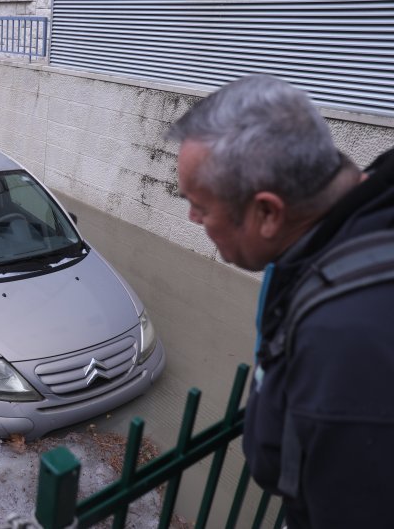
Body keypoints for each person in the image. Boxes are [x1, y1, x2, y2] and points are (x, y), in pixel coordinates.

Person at [167, 74, 394, 527]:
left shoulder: (344, 343)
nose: (192, 217)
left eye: (201, 206)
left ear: (268, 212)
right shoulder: (369, 206)